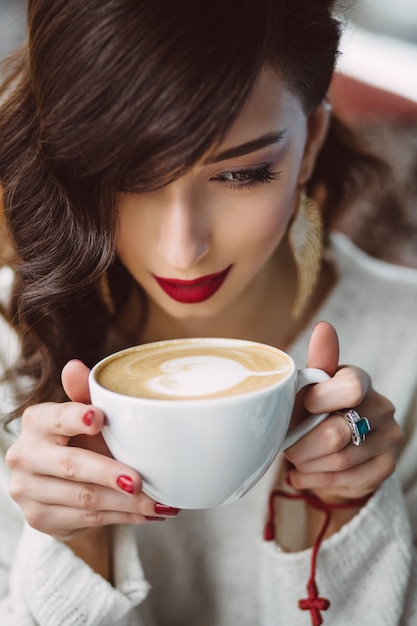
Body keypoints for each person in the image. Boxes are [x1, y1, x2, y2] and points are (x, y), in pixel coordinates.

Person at [0, 1, 415, 624]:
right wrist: (76, 541)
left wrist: (341, 516)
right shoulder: (13, 335)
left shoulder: (408, 342)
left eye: (243, 174)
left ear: (310, 145)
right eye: (128, 176)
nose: (182, 249)